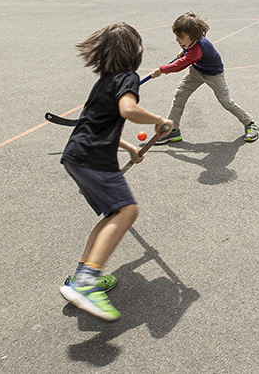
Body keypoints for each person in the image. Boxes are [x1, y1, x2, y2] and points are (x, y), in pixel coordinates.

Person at [59, 23, 174, 322]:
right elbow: (128, 110)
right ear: (134, 52)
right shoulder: (127, 78)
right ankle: (86, 284)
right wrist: (159, 119)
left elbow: (96, 124)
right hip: (95, 158)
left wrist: (128, 149)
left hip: (77, 155)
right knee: (127, 212)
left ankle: (84, 276)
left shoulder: (104, 82)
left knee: (113, 214)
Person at [152, 12, 259, 143]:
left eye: (180, 37)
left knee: (226, 102)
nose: (177, 40)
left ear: (193, 36)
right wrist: (184, 49)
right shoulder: (194, 39)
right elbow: (189, 48)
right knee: (180, 96)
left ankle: (249, 123)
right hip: (197, 72)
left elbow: (179, 65)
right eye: (176, 36)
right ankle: (173, 131)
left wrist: (161, 70)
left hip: (214, 75)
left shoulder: (197, 50)